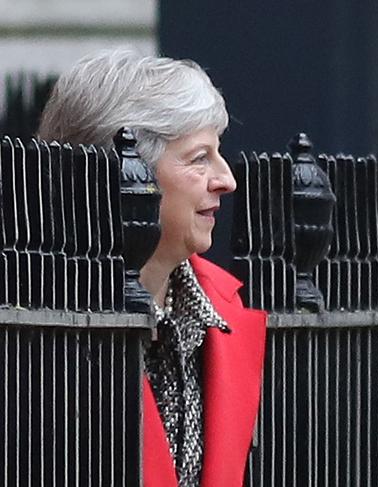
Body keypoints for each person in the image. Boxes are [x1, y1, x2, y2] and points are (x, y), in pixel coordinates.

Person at [38, 49, 267, 487]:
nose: (227, 179)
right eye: (200, 158)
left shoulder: (228, 308)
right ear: (125, 173)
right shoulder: (30, 321)